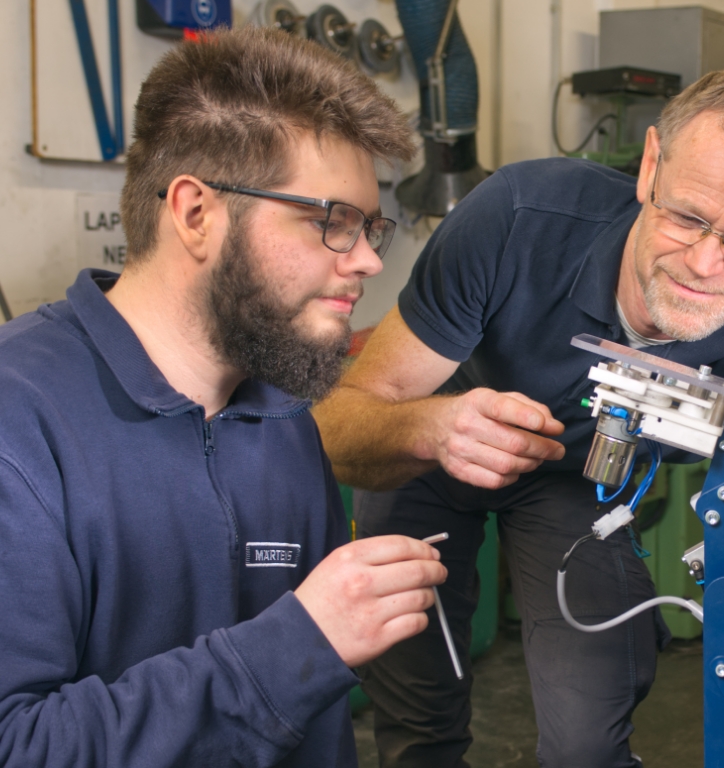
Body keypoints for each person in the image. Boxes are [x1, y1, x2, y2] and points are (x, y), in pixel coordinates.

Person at [314, 66, 724, 767]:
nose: (705, 263)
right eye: (687, 217)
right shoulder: (518, 217)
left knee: (588, 735)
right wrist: (432, 428)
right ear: (651, 166)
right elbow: (341, 425)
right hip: (430, 443)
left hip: (575, 483)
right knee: (417, 716)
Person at [0, 27, 448, 768]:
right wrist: (296, 646)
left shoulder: (285, 414)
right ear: (196, 214)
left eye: (370, 227)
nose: (369, 260)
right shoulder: (20, 425)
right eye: (330, 221)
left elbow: (317, 728)